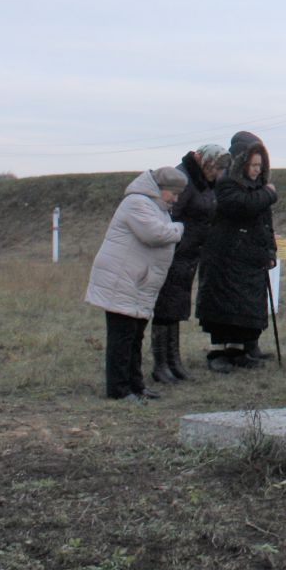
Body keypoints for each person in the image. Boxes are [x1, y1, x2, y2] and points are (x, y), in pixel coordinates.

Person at [86, 166, 186, 401]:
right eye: (173, 193)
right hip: (122, 280)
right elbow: (155, 234)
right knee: (122, 338)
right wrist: (180, 228)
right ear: (159, 189)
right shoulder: (137, 203)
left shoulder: (157, 207)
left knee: (135, 336)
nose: (176, 198)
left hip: (137, 281)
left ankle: (136, 386)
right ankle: (119, 390)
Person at [196, 131, 277, 373]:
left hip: (249, 255)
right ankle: (219, 352)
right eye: (252, 165)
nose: (256, 170)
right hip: (226, 256)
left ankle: (239, 350)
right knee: (224, 306)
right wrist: (269, 194)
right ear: (241, 163)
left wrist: (270, 249)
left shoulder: (256, 185)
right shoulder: (227, 184)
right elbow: (242, 205)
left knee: (244, 306)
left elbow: (264, 221)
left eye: (259, 166)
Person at [150, 145, 223, 383]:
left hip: (190, 254)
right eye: (215, 167)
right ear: (204, 162)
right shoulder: (185, 179)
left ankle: (174, 361)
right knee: (164, 309)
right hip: (175, 253)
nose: (217, 173)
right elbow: (170, 214)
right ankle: (161, 365)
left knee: (176, 309)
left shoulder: (202, 181)